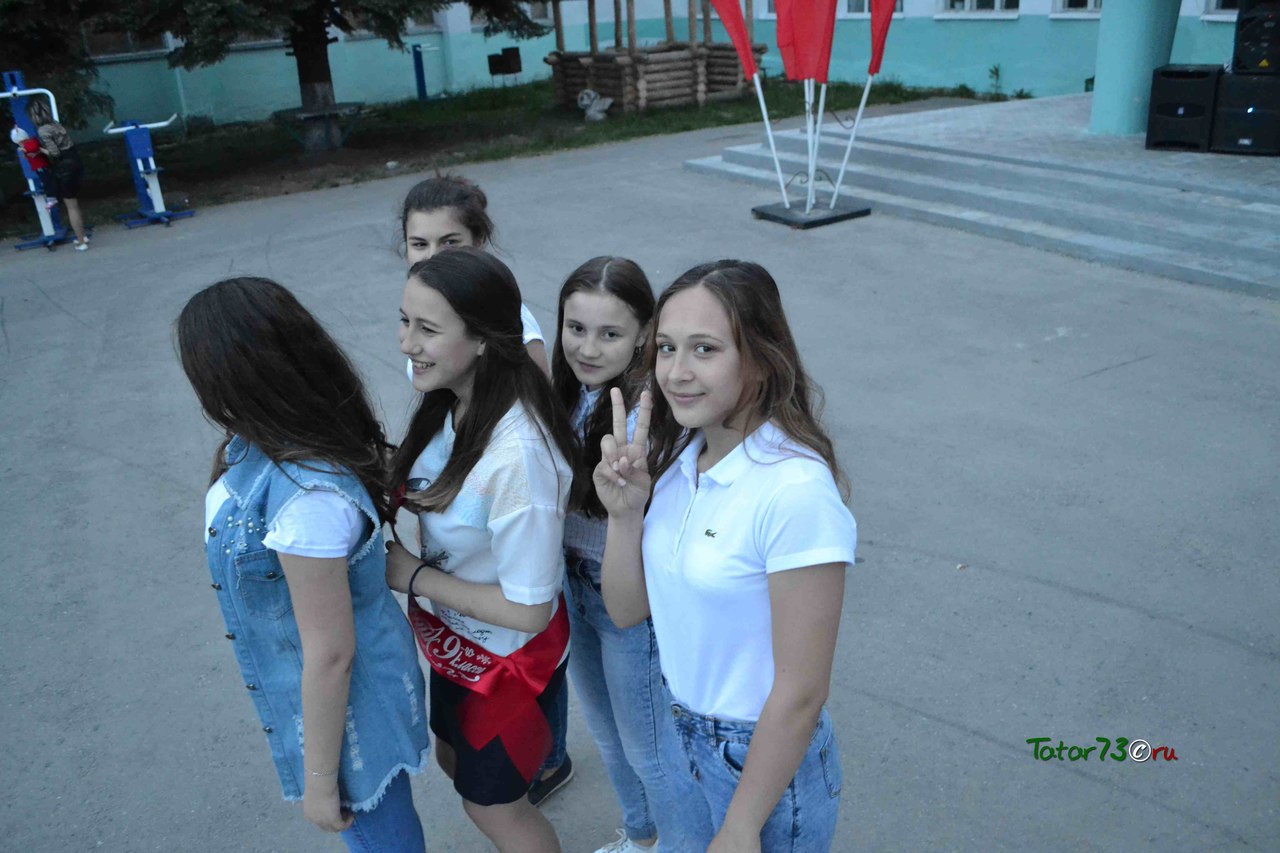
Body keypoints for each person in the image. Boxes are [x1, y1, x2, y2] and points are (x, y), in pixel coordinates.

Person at [594, 260, 857, 852]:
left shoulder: (794, 491)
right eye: (666, 347)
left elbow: (802, 691)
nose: (676, 372)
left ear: (760, 360)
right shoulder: (680, 460)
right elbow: (628, 610)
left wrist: (741, 827)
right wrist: (624, 515)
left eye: (705, 349)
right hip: (680, 735)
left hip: (762, 763)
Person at [176, 277, 431, 852]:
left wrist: (319, 781)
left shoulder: (306, 500)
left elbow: (332, 654)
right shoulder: (265, 440)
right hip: (334, 704)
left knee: (381, 839)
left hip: (350, 717)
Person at [385, 247, 578, 853]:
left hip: (507, 664)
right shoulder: (451, 397)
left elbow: (530, 610)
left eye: (427, 329)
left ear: (483, 341)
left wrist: (413, 577)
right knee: (455, 764)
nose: (406, 343)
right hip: (456, 644)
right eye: (404, 320)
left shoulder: (519, 459)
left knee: (494, 809)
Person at [548, 257, 676, 853]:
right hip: (570, 586)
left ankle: (679, 843)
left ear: (644, 333)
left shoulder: (648, 410)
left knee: (648, 748)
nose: (588, 348)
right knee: (606, 735)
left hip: (624, 595)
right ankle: (643, 838)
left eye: (609, 333)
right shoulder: (567, 392)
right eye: (576, 328)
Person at [400, 174, 551, 377]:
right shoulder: (421, 309)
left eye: (449, 242)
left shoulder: (513, 325)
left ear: (478, 241)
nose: (433, 256)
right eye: (419, 244)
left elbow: (539, 395)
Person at [27, 98, 89, 249]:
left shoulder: (43, 130)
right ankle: (82, 236)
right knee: (74, 203)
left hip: (64, 167)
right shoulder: (55, 124)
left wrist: (38, 150)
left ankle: (81, 242)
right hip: (75, 161)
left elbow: (54, 153)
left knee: (71, 205)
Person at [10, 125, 59, 210]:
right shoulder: (26, 144)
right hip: (37, 167)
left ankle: (51, 198)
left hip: (41, 166)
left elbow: (34, 148)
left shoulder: (31, 142)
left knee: (47, 182)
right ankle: (51, 197)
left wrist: (25, 149)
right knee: (45, 181)